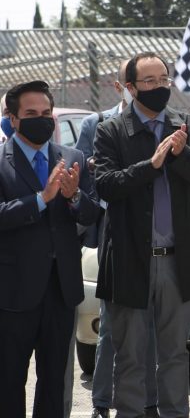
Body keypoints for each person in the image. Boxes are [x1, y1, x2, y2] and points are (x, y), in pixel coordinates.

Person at [94, 52, 190, 417]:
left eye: (164, 79)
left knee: (175, 355)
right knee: (130, 356)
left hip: (178, 262)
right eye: (150, 81)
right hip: (132, 261)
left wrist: (180, 155)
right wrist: (152, 165)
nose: (160, 86)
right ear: (130, 88)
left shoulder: (186, 125)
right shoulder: (111, 130)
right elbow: (106, 185)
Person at [0, 80, 99, 417]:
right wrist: (41, 200)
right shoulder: (1, 160)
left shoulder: (72, 157)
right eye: (31, 114)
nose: (41, 119)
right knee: (9, 380)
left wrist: (73, 195)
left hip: (61, 289)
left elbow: (90, 214)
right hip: (14, 292)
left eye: (46, 113)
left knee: (54, 381)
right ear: (13, 118)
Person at [75, 60, 159, 418]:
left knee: (151, 324)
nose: (152, 87)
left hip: (152, 230)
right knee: (111, 324)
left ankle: (151, 401)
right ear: (123, 85)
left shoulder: (159, 122)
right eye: (144, 80)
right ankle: (102, 402)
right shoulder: (97, 124)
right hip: (115, 230)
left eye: (159, 79)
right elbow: (82, 177)